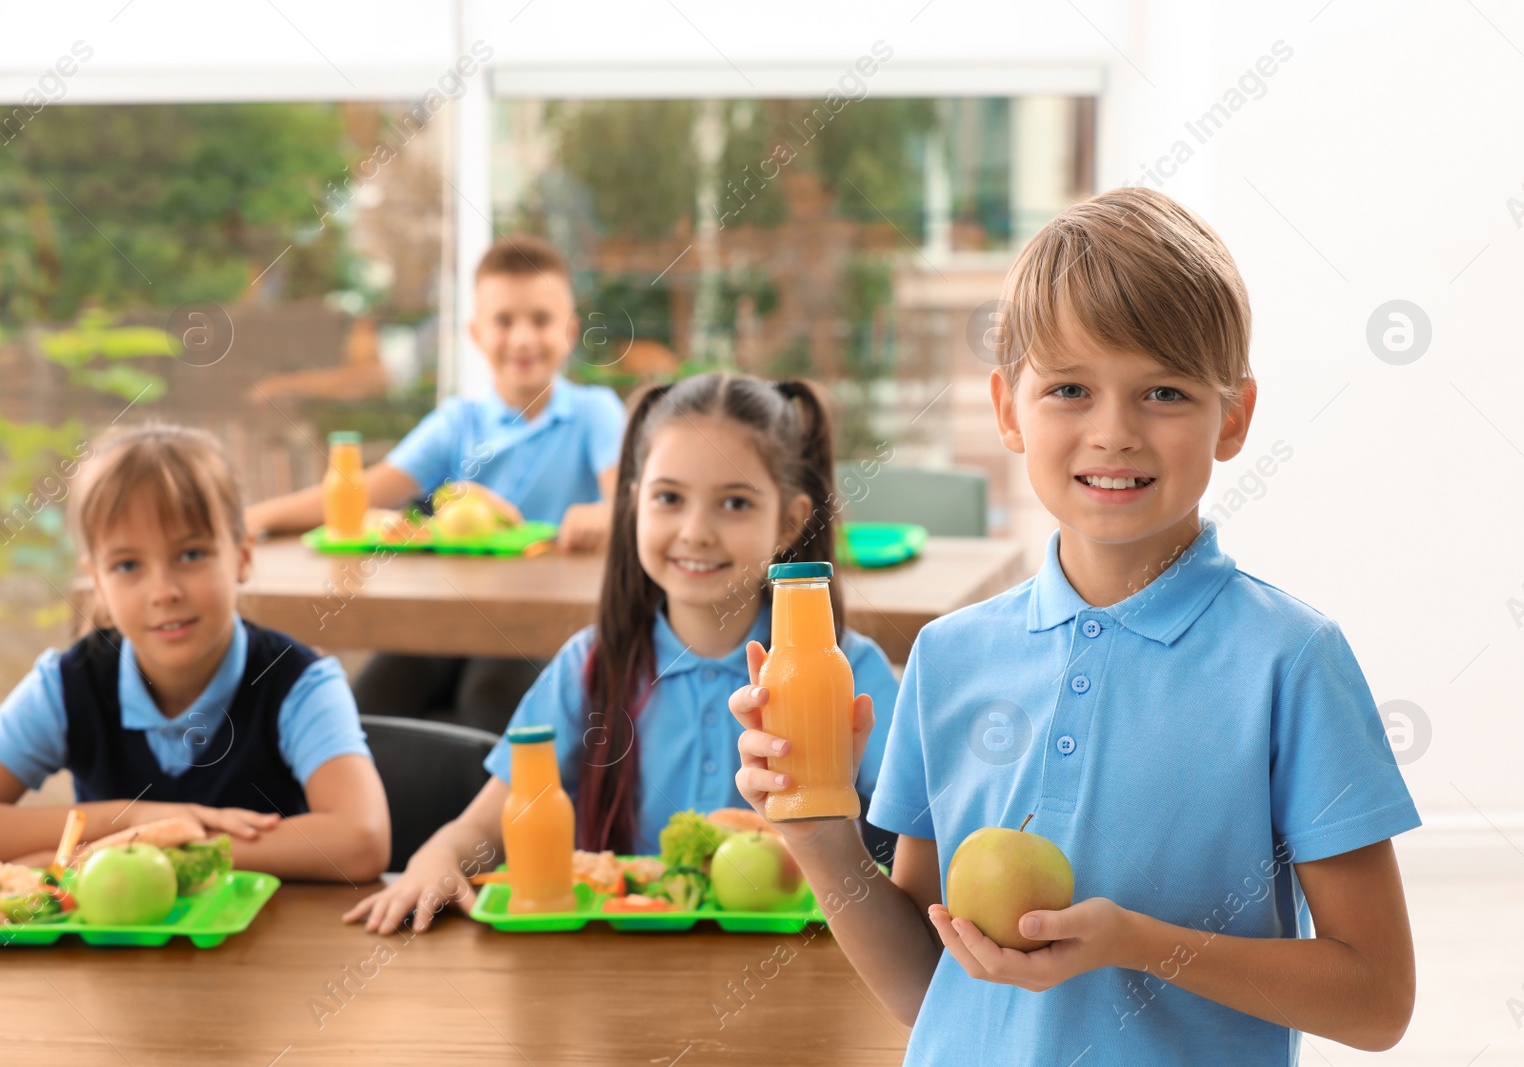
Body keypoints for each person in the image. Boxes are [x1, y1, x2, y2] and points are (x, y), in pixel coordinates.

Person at [729, 187, 1422, 1061]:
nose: (1113, 432)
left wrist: (1135, 940)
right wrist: (819, 835)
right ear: (1008, 409)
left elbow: (1377, 1001)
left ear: (1234, 416)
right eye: (1068, 388)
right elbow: (922, 984)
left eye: (1163, 391)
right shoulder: (948, 657)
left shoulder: (1290, 661)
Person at [344, 373, 899, 934]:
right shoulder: (585, 667)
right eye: (668, 498)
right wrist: (435, 859)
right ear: (633, 504)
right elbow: (481, 828)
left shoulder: (849, 672)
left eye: (734, 503)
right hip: (615, 980)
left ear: (789, 521)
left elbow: (925, 838)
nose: (695, 531)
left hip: (802, 973)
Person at [244, 235, 627, 732]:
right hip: (444, 620)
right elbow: (360, 493)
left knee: (489, 701)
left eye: (541, 320)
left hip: (532, 626)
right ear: (474, 333)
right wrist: (257, 517)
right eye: (504, 321)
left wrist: (608, 511)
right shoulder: (457, 422)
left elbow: (630, 503)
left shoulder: (594, 412)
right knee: (363, 709)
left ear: (570, 331)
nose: (523, 338)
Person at [0, 424, 389, 881]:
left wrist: (169, 844)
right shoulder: (65, 685)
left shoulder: (298, 682)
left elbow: (362, 840)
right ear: (98, 581)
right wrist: (132, 821)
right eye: (127, 566)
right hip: (114, 951)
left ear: (243, 556)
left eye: (190, 555)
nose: (163, 591)